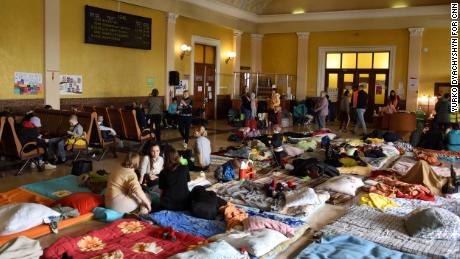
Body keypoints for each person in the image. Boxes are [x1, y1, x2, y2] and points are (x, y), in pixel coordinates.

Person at [159, 147, 191, 211]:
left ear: (166, 159)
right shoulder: (185, 167)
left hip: (168, 205)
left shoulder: (163, 172)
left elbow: (162, 192)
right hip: (185, 204)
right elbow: (186, 182)